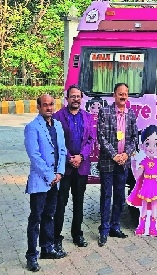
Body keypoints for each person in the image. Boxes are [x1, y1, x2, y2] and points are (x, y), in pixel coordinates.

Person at [23, 94, 66, 272]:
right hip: (41, 181)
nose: (49, 108)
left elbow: (62, 150)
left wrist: (60, 172)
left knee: (50, 215)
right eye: (45, 105)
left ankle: (47, 248)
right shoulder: (32, 127)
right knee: (36, 218)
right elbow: (34, 156)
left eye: (51, 105)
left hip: (55, 179)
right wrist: (50, 176)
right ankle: (31, 256)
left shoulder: (58, 125)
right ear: (39, 107)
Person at [51, 85, 94, 249]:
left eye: (78, 96)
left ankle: (77, 234)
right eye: (72, 96)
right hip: (64, 168)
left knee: (79, 202)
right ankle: (56, 237)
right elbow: (56, 141)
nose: (76, 99)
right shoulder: (58, 117)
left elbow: (91, 140)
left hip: (81, 167)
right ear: (67, 98)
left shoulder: (88, 117)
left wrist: (81, 156)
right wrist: (70, 158)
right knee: (60, 203)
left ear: (81, 98)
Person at [96, 83, 137, 247]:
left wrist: (126, 154)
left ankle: (115, 226)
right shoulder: (105, 112)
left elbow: (135, 137)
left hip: (123, 163)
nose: (123, 96)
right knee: (106, 196)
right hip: (108, 162)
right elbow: (101, 136)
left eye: (126, 94)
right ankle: (104, 230)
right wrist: (115, 155)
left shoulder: (131, 114)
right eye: (120, 93)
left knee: (120, 196)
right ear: (114, 95)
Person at [127, 125, 157, 237]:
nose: (151, 148)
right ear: (142, 146)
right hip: (146, 186)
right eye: (147, 144)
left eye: (156, 144)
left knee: (154, 206)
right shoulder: (144, 161)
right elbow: (137, 175)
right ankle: (142, 226)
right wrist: (134, 166)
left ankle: (153, 227)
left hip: (154, 186)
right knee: (144, 206)